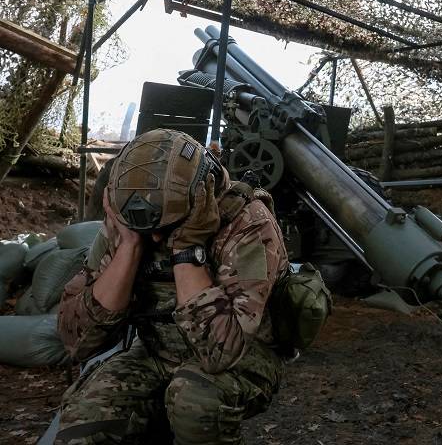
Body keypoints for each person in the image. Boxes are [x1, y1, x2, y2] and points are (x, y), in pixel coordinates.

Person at [56, 128, 289, 444]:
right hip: (156, 351)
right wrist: (130, 245)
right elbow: (76, 340)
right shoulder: (130, 219)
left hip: (244, 357)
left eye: (164, 229)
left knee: (194, 401)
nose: (155, 238)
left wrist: (187, 249)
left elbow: (221, 354)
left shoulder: (247, 220)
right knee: (84, 419)